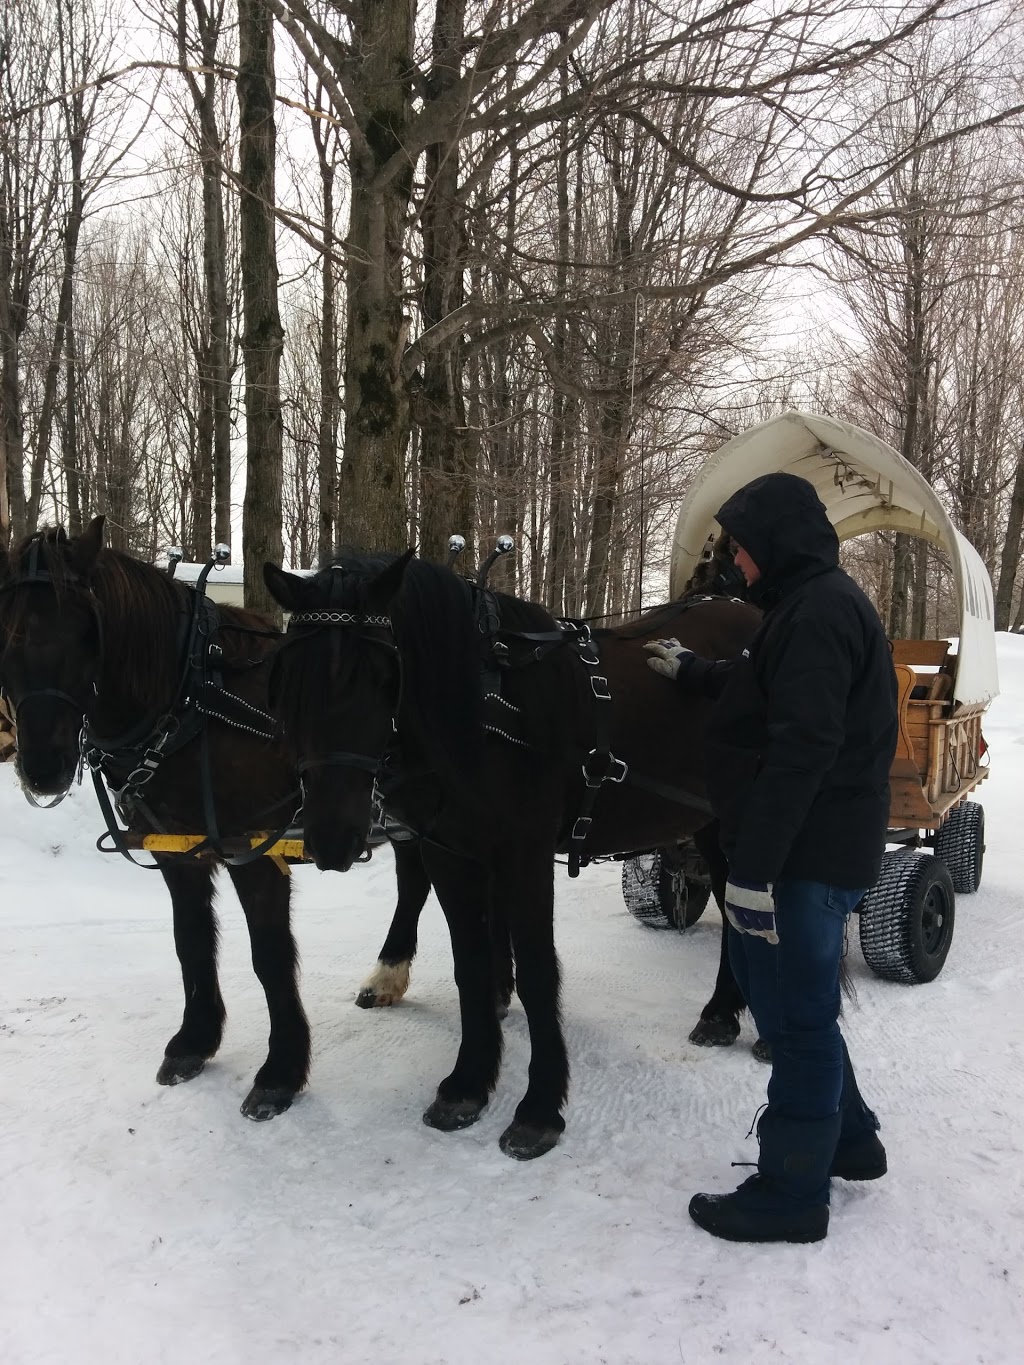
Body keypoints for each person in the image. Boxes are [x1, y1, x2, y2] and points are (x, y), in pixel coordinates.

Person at [646, 471, 897, 1244]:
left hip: (805, 855)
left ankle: (791, 1192)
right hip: (804, 848)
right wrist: (695, 672)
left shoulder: (819, 613)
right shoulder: (803, 605)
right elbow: (771, 688)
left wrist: (753, 869)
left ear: (774, 542)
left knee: (796, 1018)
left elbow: (803, 747)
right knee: (791, 1000)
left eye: (744, 548)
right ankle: (848, 1140)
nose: (738, 563)